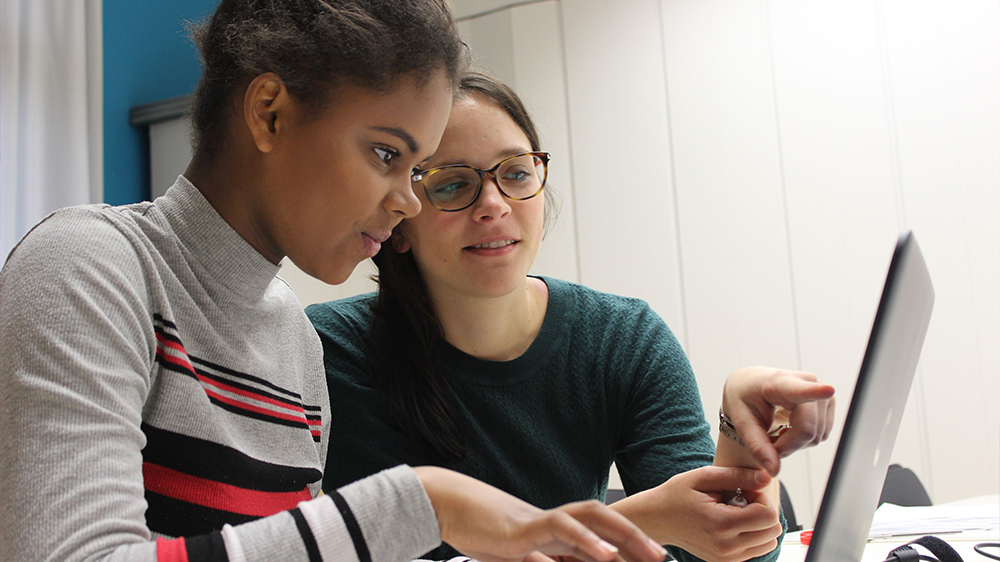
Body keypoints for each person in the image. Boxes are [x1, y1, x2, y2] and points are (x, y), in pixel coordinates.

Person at [0, 4, 671, 562]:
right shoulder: (90, 266)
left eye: (416, 171)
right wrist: (425, 504)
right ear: (268, 112)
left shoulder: (292, 338)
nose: (408, 201)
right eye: (387, 154)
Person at [307, 71, 837, 562]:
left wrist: (737, 428)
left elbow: (719, 550)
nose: (493, 204)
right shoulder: (333, 350)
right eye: (452, 183)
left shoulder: (623, 338)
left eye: (515, 173)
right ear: (399, 219)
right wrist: (642, 521)